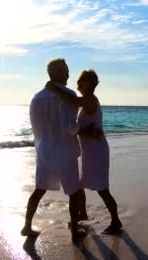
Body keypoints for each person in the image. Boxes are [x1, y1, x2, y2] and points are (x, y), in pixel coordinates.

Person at [21, 58, 99, 242]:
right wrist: (84, 130)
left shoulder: (36, 97)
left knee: (39, 189)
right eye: (66, 70)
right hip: (64, 151)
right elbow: (69, 126)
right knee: (72, 192)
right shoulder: (68, 95)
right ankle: (74, 232)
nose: (69, 74)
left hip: (44, 150)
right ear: (59, 73)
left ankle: (26, 226)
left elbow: (35, 126)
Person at [46, 69, 123, 235]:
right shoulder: (87, 100)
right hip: (90, 151)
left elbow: (71, 100)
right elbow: (80, 125)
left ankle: (116, 222)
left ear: (90, 83)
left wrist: (53, 88)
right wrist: (82, 131)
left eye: (81, 80)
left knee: (102, 188)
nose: (78, 83)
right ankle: (82, 213)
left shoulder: (89, 99)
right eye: (78, 80)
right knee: (79, 185)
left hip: (97, 151)